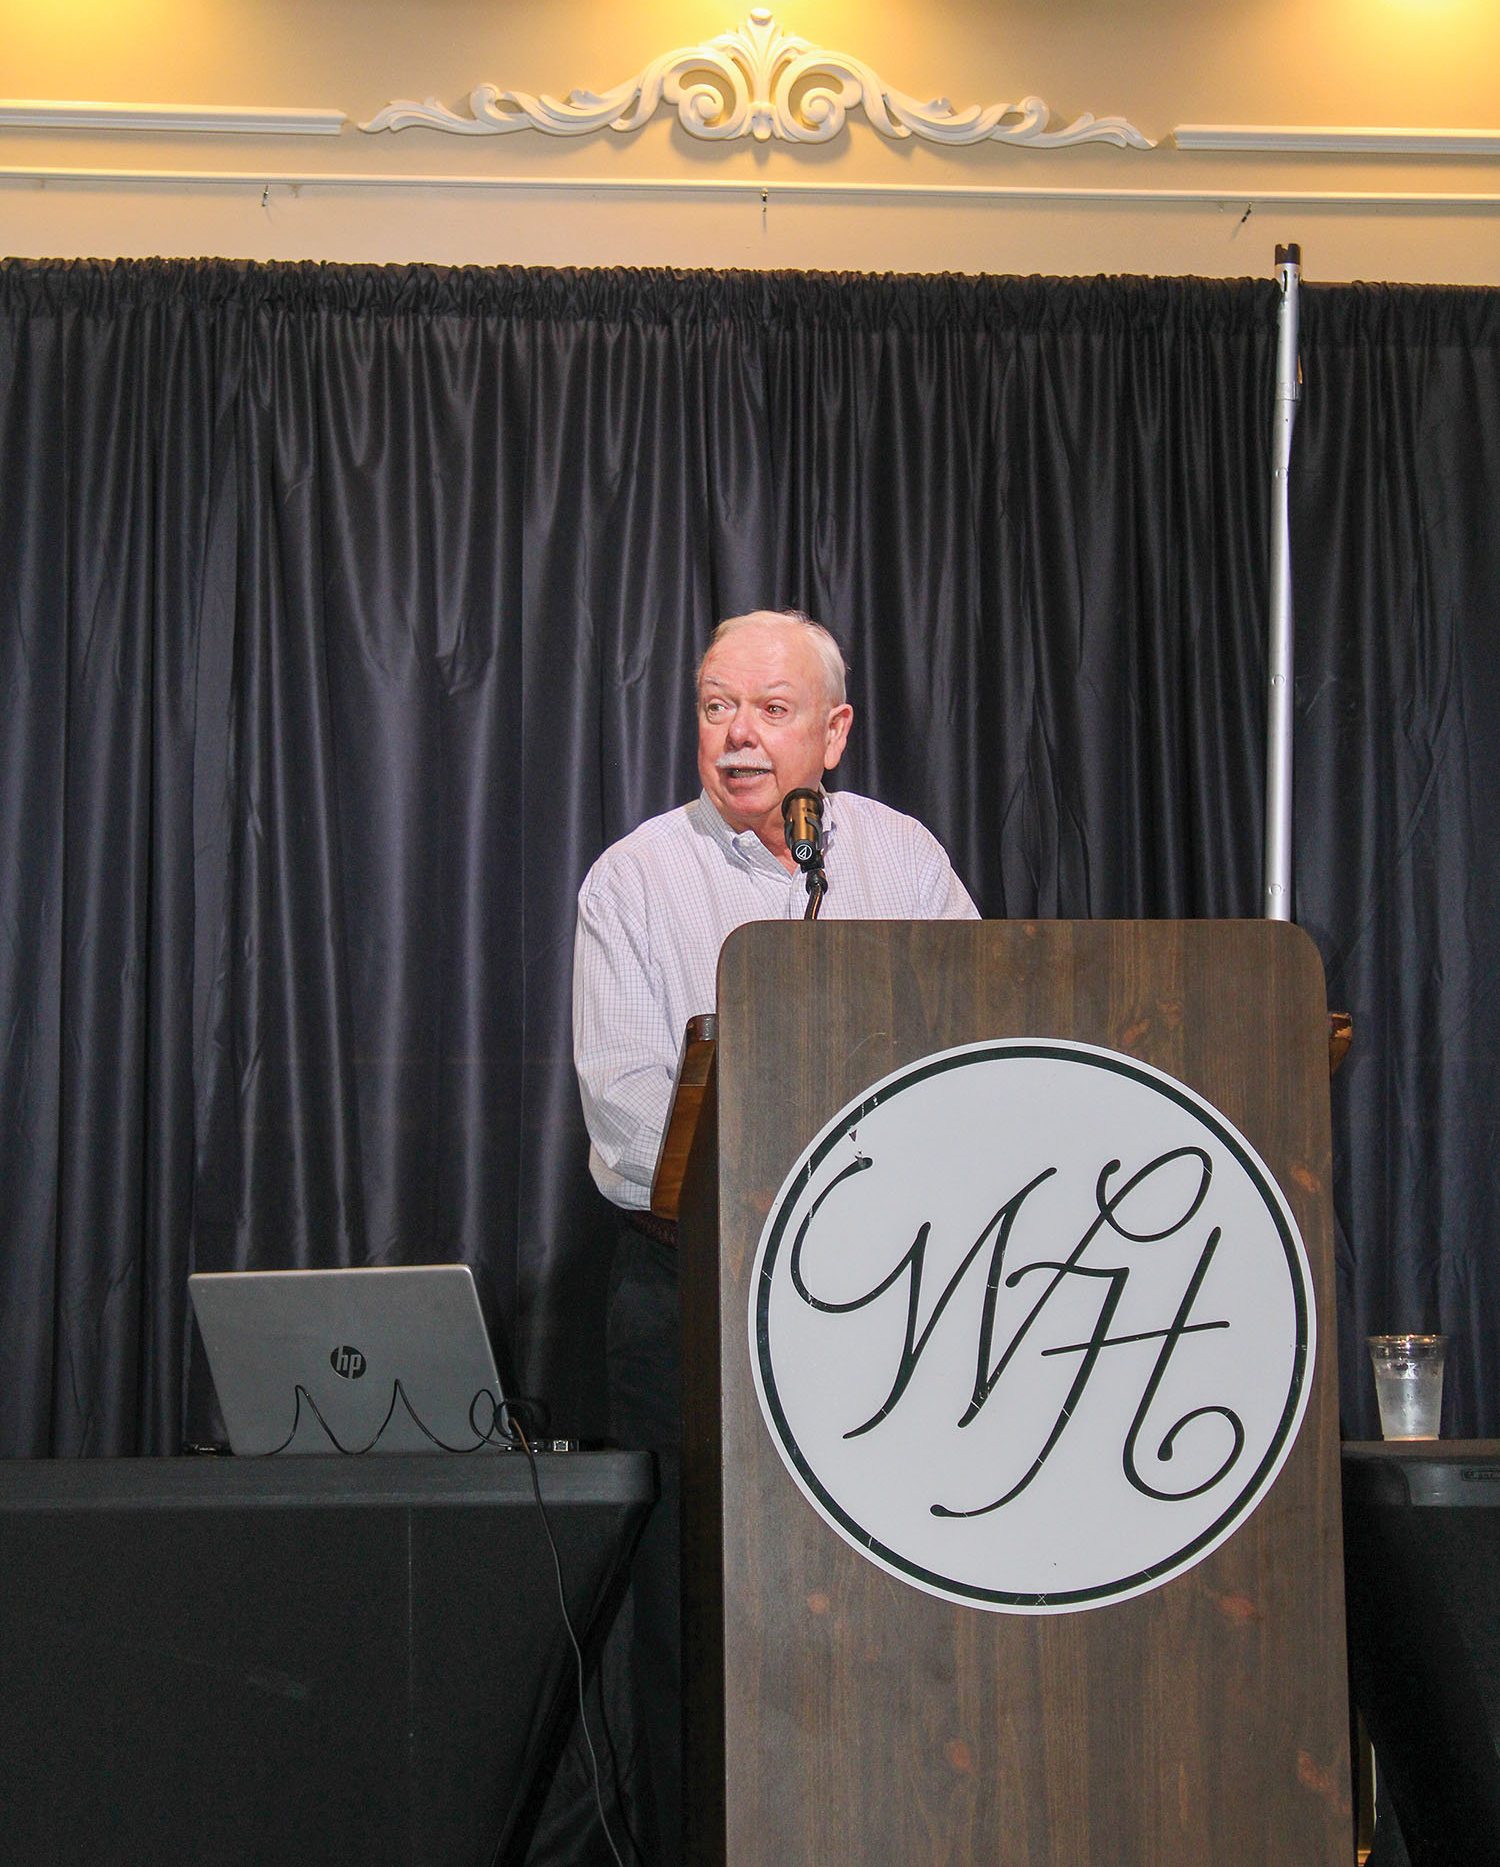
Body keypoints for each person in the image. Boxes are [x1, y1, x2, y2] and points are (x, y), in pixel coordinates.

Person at [571, 608, 978, 1861]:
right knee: (697, 1610)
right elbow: (630, 1111)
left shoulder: (902, 859)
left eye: (770, 708)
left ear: (835, 731)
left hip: (892, 1297)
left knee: (889, 1596)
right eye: (713, 706)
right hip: (691, 1286)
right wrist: (798, 1173)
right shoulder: (635, 875)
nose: (737, 734)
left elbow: (977, 1035)